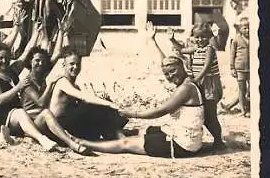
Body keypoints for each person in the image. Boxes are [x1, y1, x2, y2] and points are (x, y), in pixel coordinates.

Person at [76, 56, 205, 158]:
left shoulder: (185, 89)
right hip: (189, 140)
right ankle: (114, 135)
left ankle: (83, 143)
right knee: (142, 131)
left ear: (182, 67)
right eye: (167, 74)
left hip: (181, 145)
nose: (170, 76)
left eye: (173, 71)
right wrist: (152, 41)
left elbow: (161, 111)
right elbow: (168, 63)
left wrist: (132, 114)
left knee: (126, 144)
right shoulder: (190, 82)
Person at [8, 46, 90, 154]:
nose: (40, 64)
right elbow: (41, 103)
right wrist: (51, 84)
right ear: (30, 62)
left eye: (42, 61)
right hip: (31, 122)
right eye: (37, 61)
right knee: (47, 112)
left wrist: (62, 33)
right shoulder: (27, 82)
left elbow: (57, 53)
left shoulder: (41, 77)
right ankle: (72, 144)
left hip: (40, 119)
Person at [47, 47, 127, 142]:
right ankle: (115, 133)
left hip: (70, 123)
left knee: (98, 104)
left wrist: (103, 102)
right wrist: (108, 104)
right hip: (59, 127)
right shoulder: (62, 81)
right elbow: (85, 98)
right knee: (97, 104)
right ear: (64, 65)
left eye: (78, 64)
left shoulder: (75, 86)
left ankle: (113, 132)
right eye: (71, 64)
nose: (75, 67)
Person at [172, 22, 225, 149]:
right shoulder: (196, 49)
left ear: (210, 37)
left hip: (210, 86)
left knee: (211, 115)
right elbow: (182, 50)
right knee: (204, 115)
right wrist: (172, 39)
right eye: (197, 37)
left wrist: (195, 80)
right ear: (193, 38)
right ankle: (216, 140)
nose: (200, 40)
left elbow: (206, 67)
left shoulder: (209, 49)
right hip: (201, 84)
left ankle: (218, 141)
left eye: (204, 37)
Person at [229, 17, 250, 117]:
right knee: (242, 90)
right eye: (245, 28)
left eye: (249, 28)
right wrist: (232, 68)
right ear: (240, 29)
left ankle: (249, 106)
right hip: (240, 68)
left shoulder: (254, 38)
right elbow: (232, 54)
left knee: (252, 89)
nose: (247, 30)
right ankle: (243, 110)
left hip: (251, 68)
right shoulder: (236, 39)